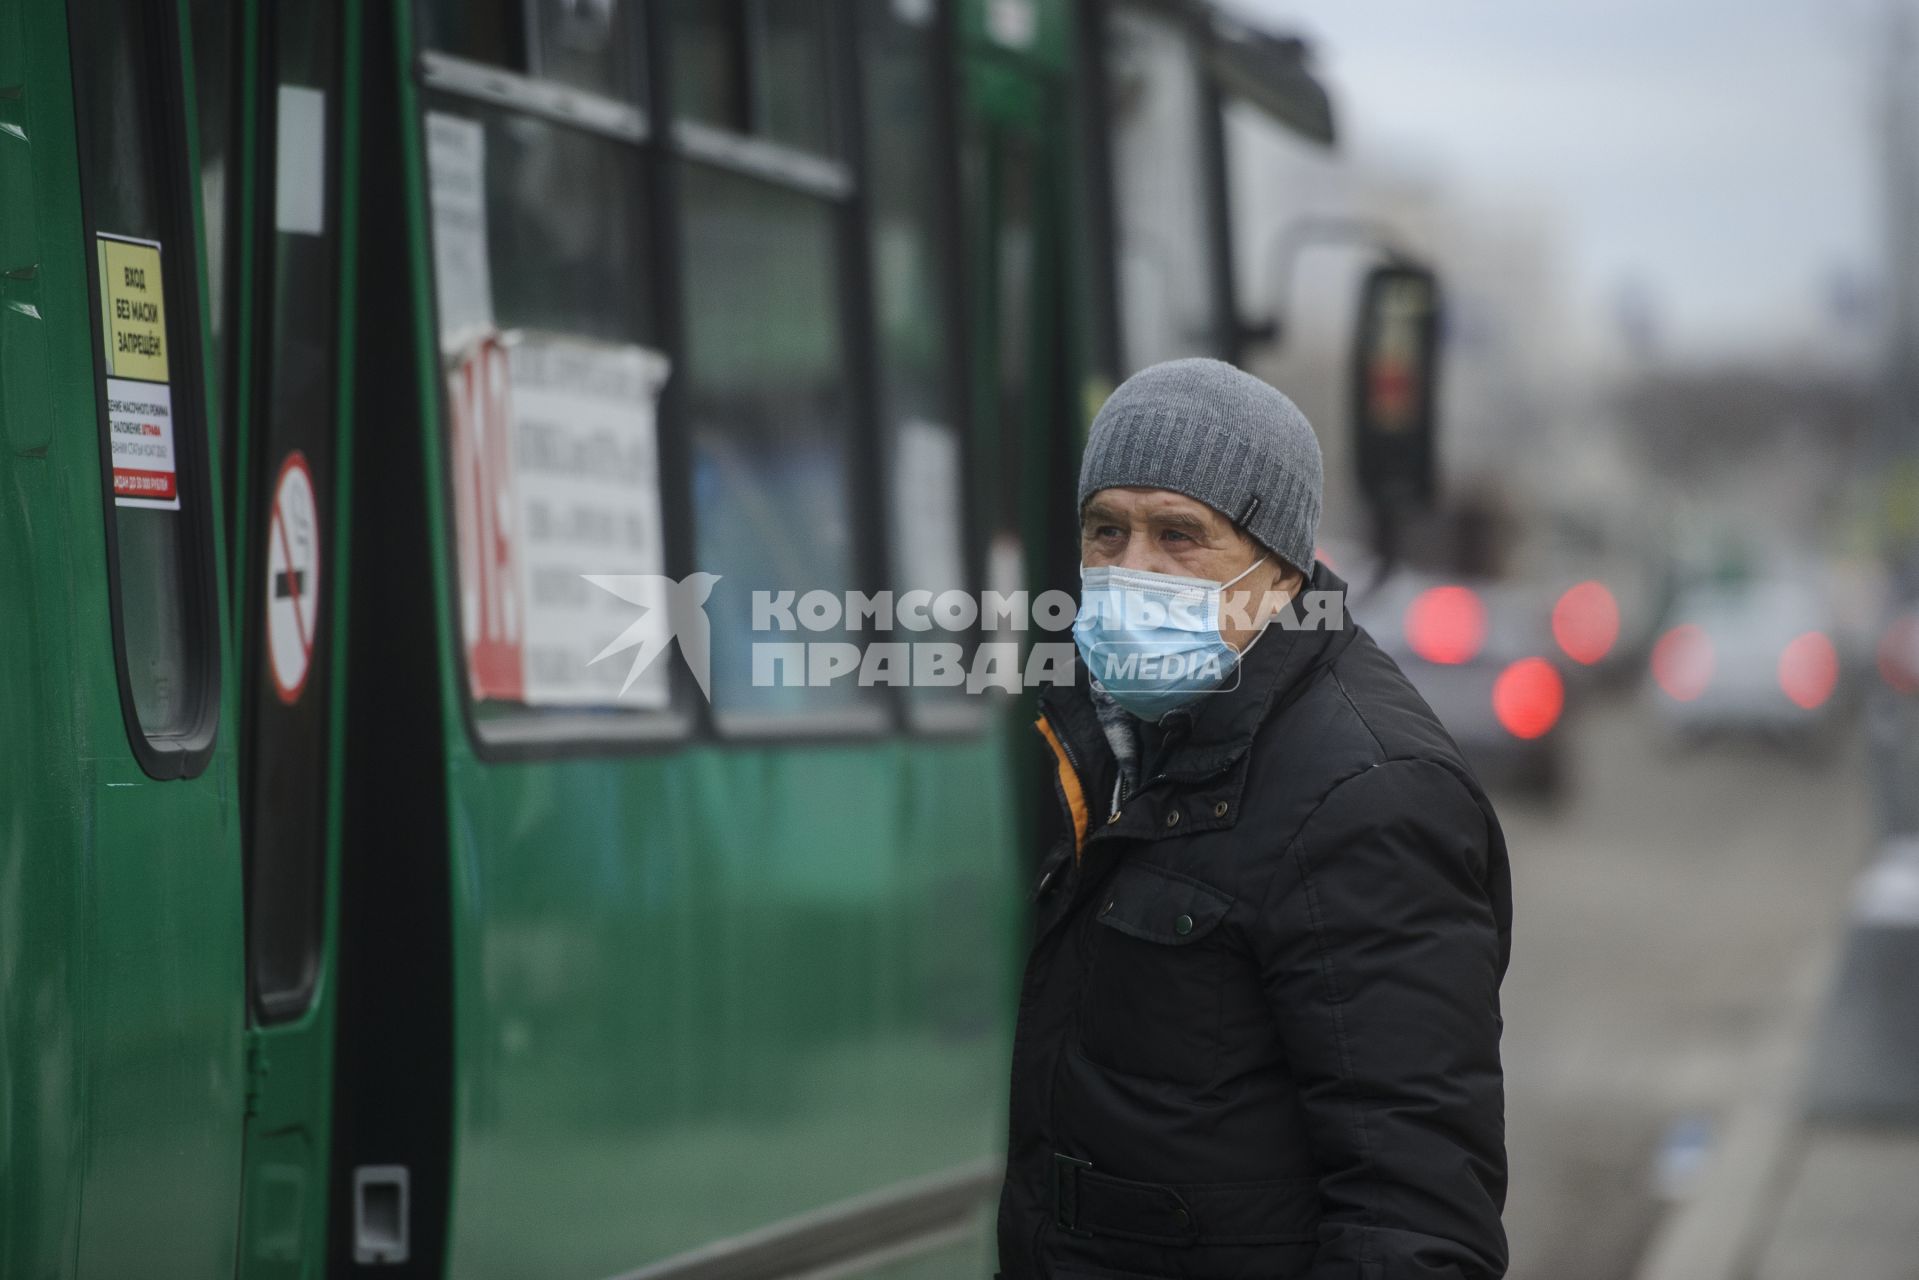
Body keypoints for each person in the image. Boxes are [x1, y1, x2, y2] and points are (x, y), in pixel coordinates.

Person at [995, 358, 1512, 1280]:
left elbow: (1414, 1218)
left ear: (1279, 568)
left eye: (1179, 535)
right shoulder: (1122, 738)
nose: (1130, 570)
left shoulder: (1369, 794)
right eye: (1105, 531)